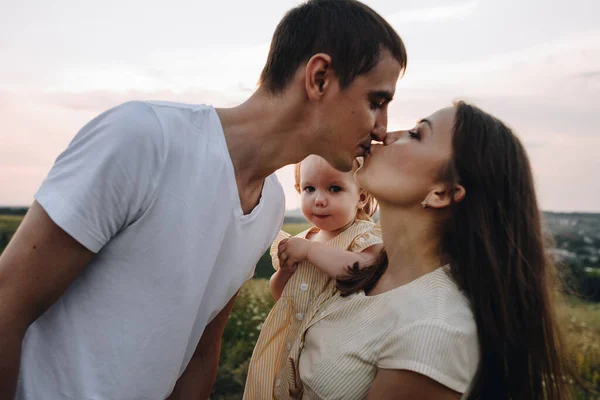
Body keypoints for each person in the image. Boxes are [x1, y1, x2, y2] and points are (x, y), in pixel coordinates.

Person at [0, 1, 407, 398]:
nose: (382, 128)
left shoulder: (268, 206)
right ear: (319, 78)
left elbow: (200, 354)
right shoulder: (145, 139)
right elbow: (7, 301)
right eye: (376, 101)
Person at [276, 101, 571, 399]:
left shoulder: (434, 330)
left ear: (442, 193)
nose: (385, 135)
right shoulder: (369, 268)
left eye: (416, 134)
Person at [244, 155, 383, 399]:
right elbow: (280, 295)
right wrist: (285, 272)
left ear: (361, 197)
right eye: (309, 188)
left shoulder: (361, 237)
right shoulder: (304, 238)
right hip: (286, 346)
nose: (319, 199)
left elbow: (365, 269)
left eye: (334, 188)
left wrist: (310, 252)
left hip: (328, 354)